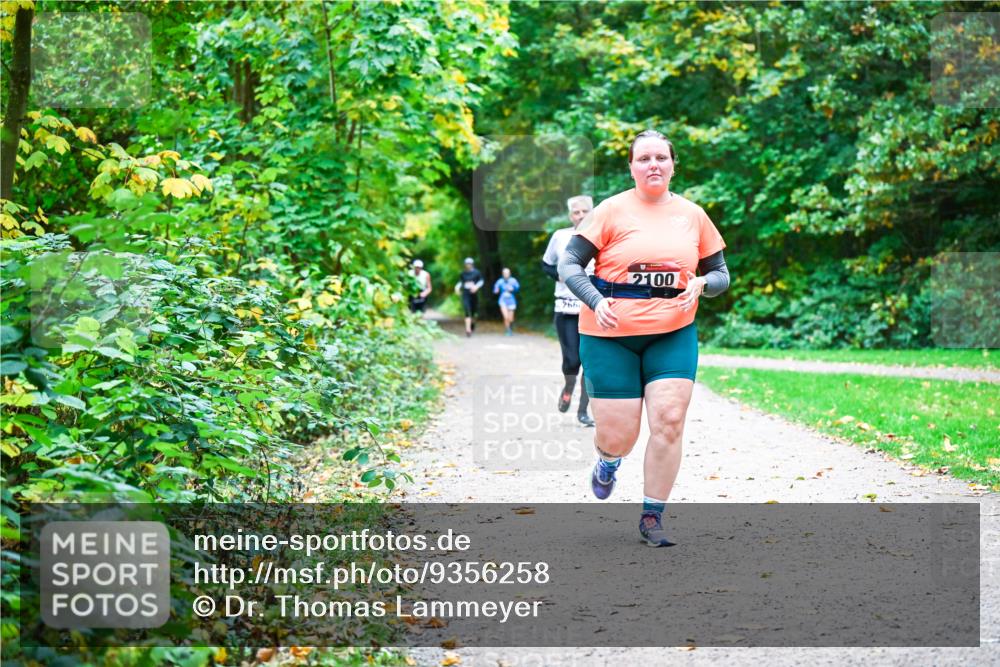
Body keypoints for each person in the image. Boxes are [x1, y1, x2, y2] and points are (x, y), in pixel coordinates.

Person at [558, 129, 731, 546]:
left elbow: (721, 275)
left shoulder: (692, 215)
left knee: (669, 422)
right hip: (609, 334)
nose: (653, 164)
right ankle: (608, 461)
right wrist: (594, 299)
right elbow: (570, 264)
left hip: (673, 333)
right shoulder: (610, 210)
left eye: (661, 158)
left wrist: (703, 283)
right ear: (632, 167)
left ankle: (652, 515)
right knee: (619, 436)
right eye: (644, 158)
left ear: (673, 165)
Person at [542, 196, 596, 427]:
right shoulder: (560, 237)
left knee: (590, 363)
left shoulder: (602, 236)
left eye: (585, 211)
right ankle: (568, 387)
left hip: (592, 309)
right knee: (572, 361)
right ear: (570, 215)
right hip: (565, 308)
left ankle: (583, 411)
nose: (581, 216)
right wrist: (560, 275)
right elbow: (546, 264)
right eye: (576, 212)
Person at [454, 257, 484, 337]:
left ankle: (472, 324)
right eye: (467, 264)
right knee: (467, 311)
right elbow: (460, 282)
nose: (468, 265)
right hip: (466, 294)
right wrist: (457, 288)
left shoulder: (477, 273)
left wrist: (476, 287)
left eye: (469, 264)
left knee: (473, 312)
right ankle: (468, 330)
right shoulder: (463, 274)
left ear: (472, 264)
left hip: (474, 294)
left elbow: (481, 281)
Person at [492, 267, 520, 335]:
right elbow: (495, 289)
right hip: (502, 300)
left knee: (511, 318)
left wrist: (513, 289)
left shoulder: (513, 280)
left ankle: (510, 326)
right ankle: (508, 330)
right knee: (506, 316)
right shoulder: (500, 281)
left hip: (511, 301)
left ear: (509, 274)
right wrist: (496, 290)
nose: (506, 274)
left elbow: (517, 288)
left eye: (507, 273)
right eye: (504, 273)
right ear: (502, 274)